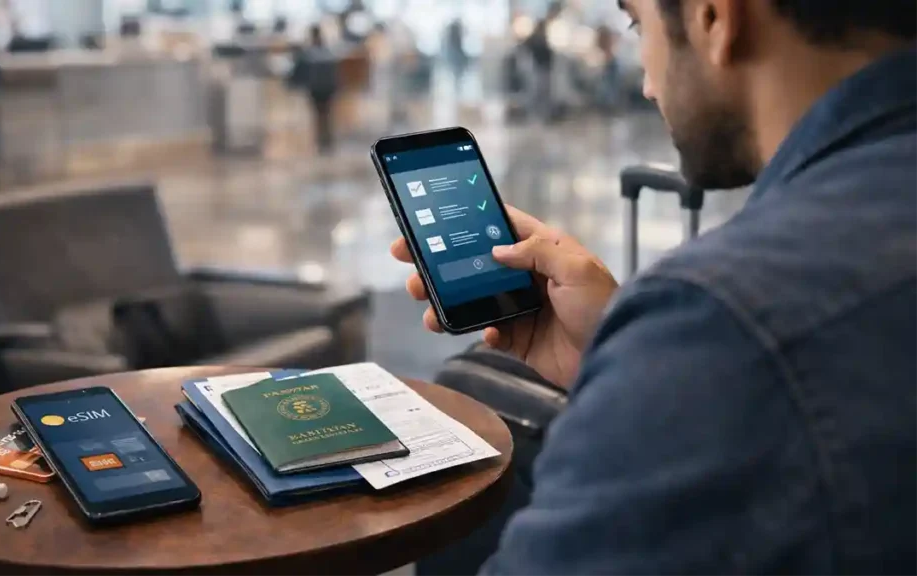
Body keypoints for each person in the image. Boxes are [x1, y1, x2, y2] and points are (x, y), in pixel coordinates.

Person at [391, 0, 917, 573]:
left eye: (638, 24)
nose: (645, 84)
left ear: (714, 17)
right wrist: (620, 359)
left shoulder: (726, 323)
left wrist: (668, 361)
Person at [300, 24, 340, 154]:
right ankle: (326, 140)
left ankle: (322, 141)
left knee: (319, 116)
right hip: (327, 89)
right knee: (326, 115)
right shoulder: (328, 51)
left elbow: (302, 72)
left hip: (317, 89)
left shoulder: (309, 53)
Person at [523, 18, 554, 122]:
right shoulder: (535, 39)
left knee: (544, 92)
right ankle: (535, 114)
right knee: (537, 92)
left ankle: (543, 114)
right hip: (538, 68)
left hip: (544, 68)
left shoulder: (542, 38)